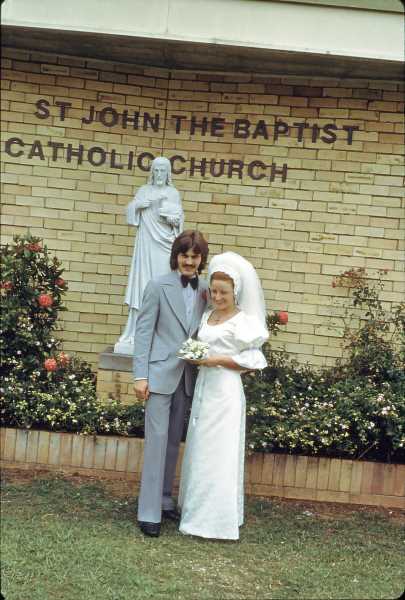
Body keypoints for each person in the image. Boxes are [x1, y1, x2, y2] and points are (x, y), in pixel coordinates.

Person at [178, 252, 269, 540]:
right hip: (205, 387)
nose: (217, 297)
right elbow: (202, 347)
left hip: (226, 391)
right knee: (201, 448)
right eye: (214, 291)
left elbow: (253, 361)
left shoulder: (243, 322)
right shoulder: (207, 316)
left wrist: (215, 360)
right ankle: (195, 510)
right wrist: (195, 355)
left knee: (219, 451)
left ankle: (214, 520)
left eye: (223, 293)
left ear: (235, 292)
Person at [133, 230, 209, 538]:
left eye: (194, 256)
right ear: (176, 256)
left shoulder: (207, 290)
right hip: (158, 375)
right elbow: (143, 332)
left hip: (188, 376)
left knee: (174, 443)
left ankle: (165, 500)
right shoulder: (157, 286)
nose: (189, 261)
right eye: (184, 255)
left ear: (201, 259)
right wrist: (140, 376)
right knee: (156, 442)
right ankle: (148, 512)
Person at [114, 156, 184, 354]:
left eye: (163, 170)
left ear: (168, 173)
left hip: (164, 246)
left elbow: (178, 220)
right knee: (143, 287)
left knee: (162, 287)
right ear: (152, 172)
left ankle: (159, 335)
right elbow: (131, 212)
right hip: (146, 246)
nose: (159, 174)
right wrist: (138, 205)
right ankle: (136, 334)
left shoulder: (172, 193)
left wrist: (172, 220)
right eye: (156, 170)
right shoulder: (144, 190)